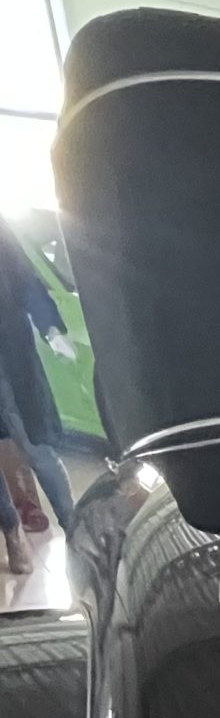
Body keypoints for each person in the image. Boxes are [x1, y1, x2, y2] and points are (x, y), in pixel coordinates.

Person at [0, 215, 75, 537]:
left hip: (10, 360)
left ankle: (74, 527)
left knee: (36, 449)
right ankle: (12, 534)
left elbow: (24, 278)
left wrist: (51, 329)